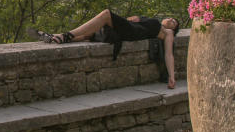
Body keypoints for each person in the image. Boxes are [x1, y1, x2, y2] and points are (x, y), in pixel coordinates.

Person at [27, 10, 180, 89]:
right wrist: (131, 19)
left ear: (174, 29)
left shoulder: (168, 33)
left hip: (134, 33)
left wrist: (172, 76)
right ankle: (54, 37)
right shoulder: (150, 20)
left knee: (106, 14)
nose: (171, 20)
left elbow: (169, 54)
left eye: (174, 22)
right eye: (172, 18)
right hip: (131, 28)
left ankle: (65, 35)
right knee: (92, 33)